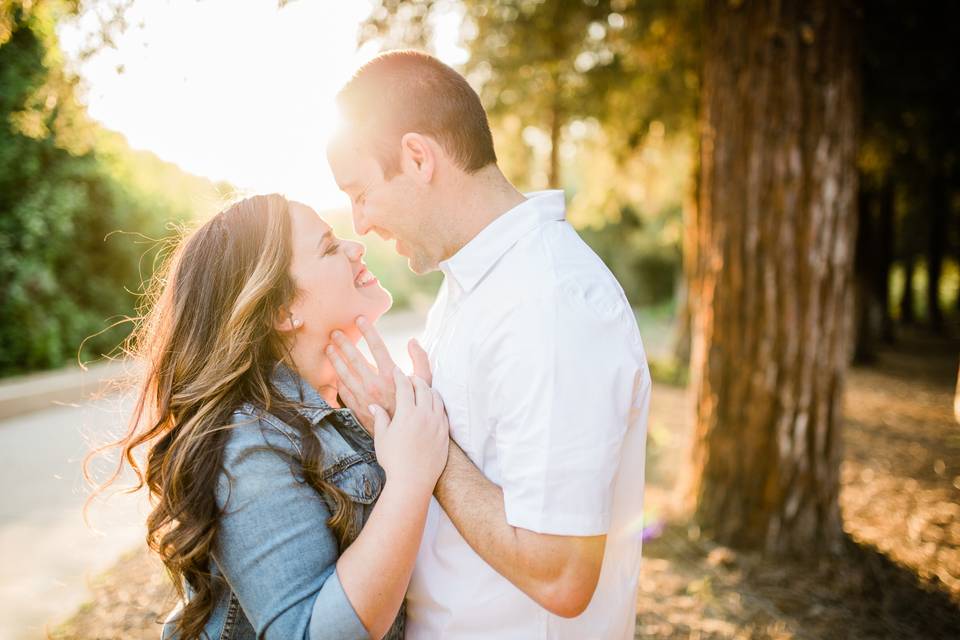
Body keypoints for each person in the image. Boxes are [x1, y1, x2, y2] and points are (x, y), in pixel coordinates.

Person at [327, 50, 651, 639]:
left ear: (418, 157)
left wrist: (422, 443)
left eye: (361, 192)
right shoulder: (474, 284)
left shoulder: (551, 305)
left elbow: (562, 575)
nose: (360, 223)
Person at [96, 194, 448, 640]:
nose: (356, 248)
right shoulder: (246, 442)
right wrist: (411, 479)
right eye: (328, 247)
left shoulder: (348, 405)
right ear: (284, 310)